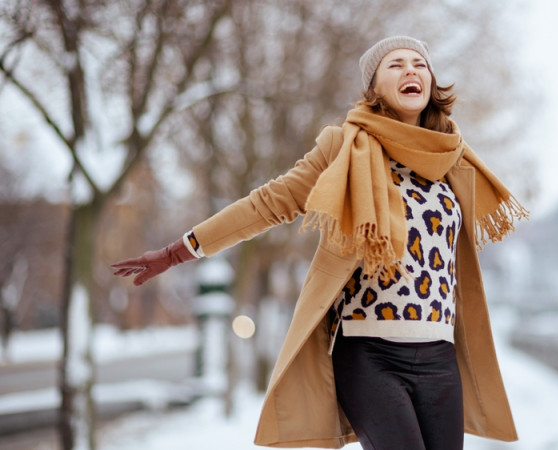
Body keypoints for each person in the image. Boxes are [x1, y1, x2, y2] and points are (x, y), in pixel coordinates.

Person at [112, 36, 529, 450]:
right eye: (396, 64)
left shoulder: (454, 159)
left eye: (420, 63)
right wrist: (180, 250)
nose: (411, 71)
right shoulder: (344, 147)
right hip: (371, 354)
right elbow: (268, 203)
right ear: (375, 88)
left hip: (440, 354)